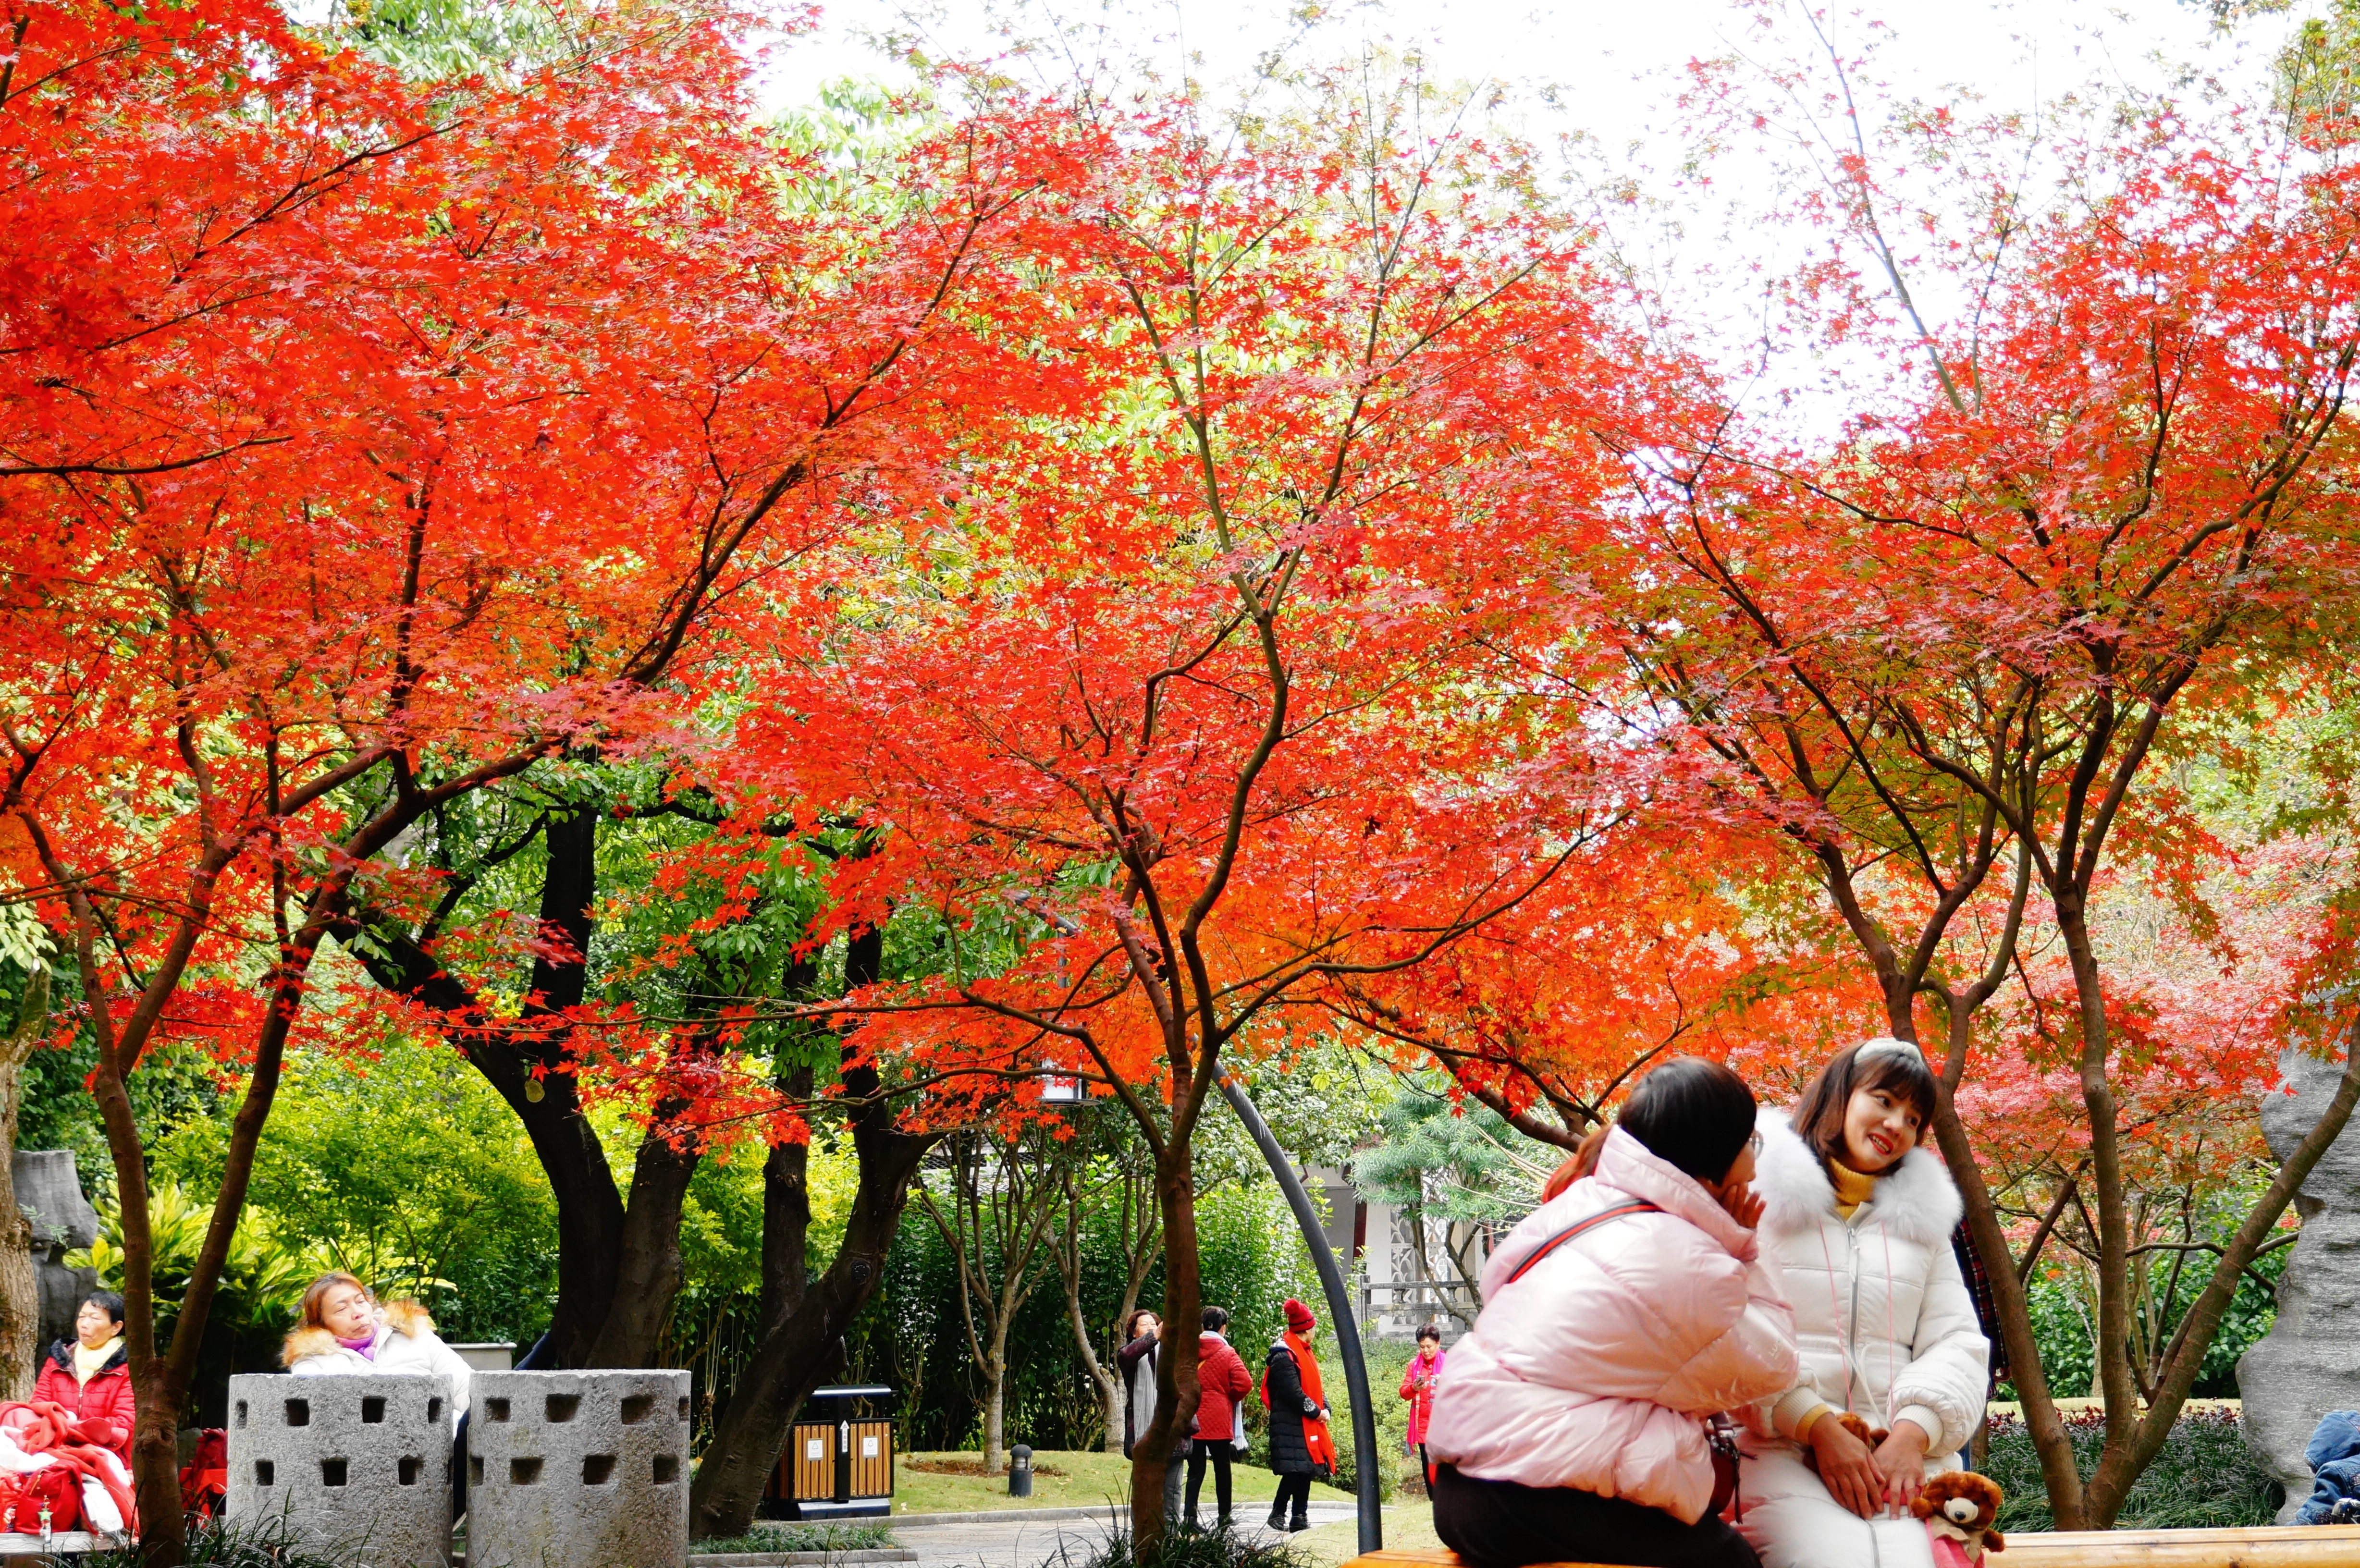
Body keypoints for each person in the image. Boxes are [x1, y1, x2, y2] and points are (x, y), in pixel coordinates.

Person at [1425, 1056, 1797, 1568]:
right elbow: (1772, 1363)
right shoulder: (1684, 1256)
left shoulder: (1583, 1202)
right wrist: (1742, 1249)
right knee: (1732, 1563)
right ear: (1712, 1150)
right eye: (1749, 1144)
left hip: (1466, 1486)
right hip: (1526, 1495)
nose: (1755, 1167)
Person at [1736, 1039, 1991, 1568]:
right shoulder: (1759, 1205)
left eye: (1914, 1116)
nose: (1897, 1124)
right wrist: (1817, 1428)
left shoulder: (1924, 1229)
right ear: (1840, 1095)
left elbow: (1958, 1342)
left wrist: (1912, 1433)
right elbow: (1734, 1331)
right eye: (1883, 1099)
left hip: (1903, 1457)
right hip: (1783, 1449)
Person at [282, 1273, 475, 1423]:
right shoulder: (311, 1359)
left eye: (360, 1302)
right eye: (342, 1309)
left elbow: (466, 1389)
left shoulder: (415, 1335)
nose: (358, 1313)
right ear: (321, 1324)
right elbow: (315, 1417)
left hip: (434, 1451)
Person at [33, 1292, 134, 1467]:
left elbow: (124, 1422)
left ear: (116, 1328)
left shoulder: (127, 1367)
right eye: (82, 1317)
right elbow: (37, 1406)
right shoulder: (58, 1360)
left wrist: (71, 1429)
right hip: (54, 1452)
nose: (84, 1325)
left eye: (95, 1319)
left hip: (108, 1457)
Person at [1262, 1297, 1337, 1533]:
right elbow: (1294, 1393)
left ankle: (1299, 1516)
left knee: (1305, 1470)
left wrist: (1325, 1408)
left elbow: (1315, 1386)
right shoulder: (1284, 1355)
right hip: (1292, 1423)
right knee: (1298, 1471)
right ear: (1307, 1330)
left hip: (1305, 1423)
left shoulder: (1304, 1351)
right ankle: (1279, 1512)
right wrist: (1317, 1412)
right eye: (1313, 1328)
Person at [1116, 1309, 1187, 1525]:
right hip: (1144, 1435)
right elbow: (1128, 1355)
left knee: (1172, 1492)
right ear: (1134, 1334)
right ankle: (1143, 1542)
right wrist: (1155, 1335)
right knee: (1145, 1492)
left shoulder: (1173, 1355)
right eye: (1145, 1325)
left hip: (1172, 1434)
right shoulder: (1127, 1355)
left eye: (1154, 1324)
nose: (1151, 1327)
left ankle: (1172, 1544)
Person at [1185, 1306, 1253, 1530]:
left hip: (1193, 1417)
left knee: (1196, 1469)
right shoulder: (1227, 1353)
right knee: (1222, 1468)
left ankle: (1190, 1518)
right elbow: (1245, 1383)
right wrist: (1227, 1397)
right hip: (1218, 1418)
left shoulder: (1188, 1350)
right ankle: (1224, 1516)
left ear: (1203, 1326)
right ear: (1223, 1327)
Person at [1399, 1322, 1447, 1483]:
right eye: (1422, 1347)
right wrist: (1414, 1388)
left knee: (1445, 1470)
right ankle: (1433, 1503)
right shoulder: (1414, 1366)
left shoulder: (1449, 1364)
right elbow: (1403, 1393)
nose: (1426, 1351)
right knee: (1428, 1470)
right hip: (1423, 1428)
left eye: (1429, 1346)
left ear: (1438, 1343)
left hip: (1444, 1427)